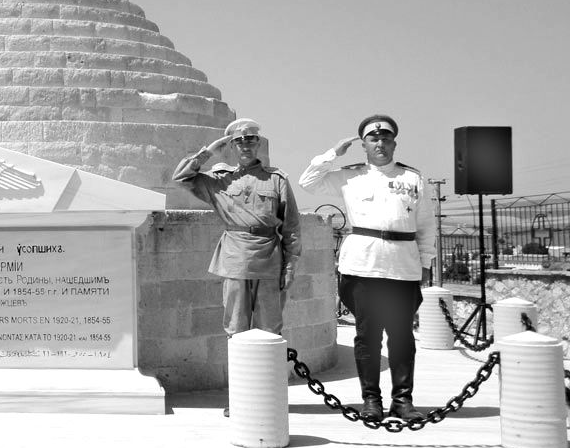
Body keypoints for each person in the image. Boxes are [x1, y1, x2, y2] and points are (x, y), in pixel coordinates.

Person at [299, 115, 435, 422]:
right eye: (373, 139)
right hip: (363, 266)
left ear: (394, 143)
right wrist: (333, 154)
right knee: (367, 336)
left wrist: (426, 262)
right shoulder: (351, 176)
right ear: (364, 145)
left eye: (386, 138)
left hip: (402, 266)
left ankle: (402, 400)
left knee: (401, 337)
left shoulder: (413, 178)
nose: (380, 143)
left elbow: (426, 225)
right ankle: (371, 400)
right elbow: (308, 182)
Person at [173, 118, 302, 415]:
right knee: (236, 330)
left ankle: (268, 399)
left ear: (258, 143)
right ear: (231, 146)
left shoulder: (277, 179)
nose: (246, 145)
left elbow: (292, 226)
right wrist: (209, 151)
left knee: (270, 330)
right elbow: (181, 177)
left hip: (269, 258)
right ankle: (241, 399)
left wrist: (291, 263)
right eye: (239, 141)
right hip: (235, 259)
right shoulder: (219, 180)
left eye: (251, 140)